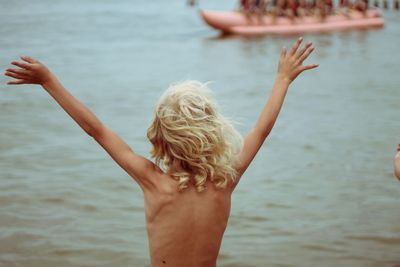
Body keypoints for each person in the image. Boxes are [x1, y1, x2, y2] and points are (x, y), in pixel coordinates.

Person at [4, 38, 317, 267]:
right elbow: (261, 131)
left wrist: (48, 81)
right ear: (213, 133)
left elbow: (95, 130)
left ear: (161, 139)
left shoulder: (154, 183)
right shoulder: (226, 181)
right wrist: (282, 79)